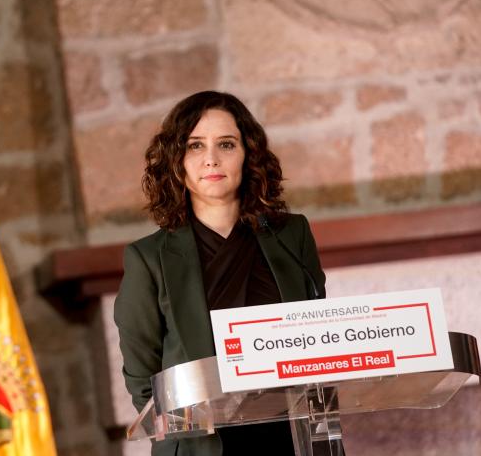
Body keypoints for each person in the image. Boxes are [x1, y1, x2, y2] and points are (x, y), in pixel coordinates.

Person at [114, 91, 326, 455]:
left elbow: (318, 336)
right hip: (203, 445)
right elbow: (143, 377)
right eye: (195, 146)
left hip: (287, 438)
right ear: (176, 160)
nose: (211, 159)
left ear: (248, 154)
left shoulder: (292, 235)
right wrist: (179, 429)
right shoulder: (148, 258)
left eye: (226, 144)